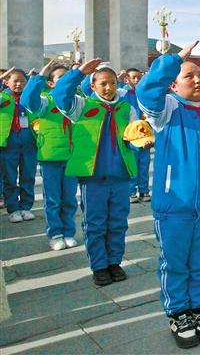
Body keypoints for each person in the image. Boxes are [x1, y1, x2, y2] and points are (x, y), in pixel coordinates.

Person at [137, 41, 200, 349]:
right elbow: (146, 91)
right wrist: (173, 60)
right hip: (174, 204)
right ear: (173, 84)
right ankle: (178, 313)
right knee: (175, 261)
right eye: (188, 75)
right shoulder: (166, 110)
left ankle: (199, 309)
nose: (197, 80)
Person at [54, 60, 138, 287]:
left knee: (118, 222)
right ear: (92, 86)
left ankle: (114, 262)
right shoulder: (81, 106)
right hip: (93, 178)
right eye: (103, 83)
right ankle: (99, 266)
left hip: (120, 176)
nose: (108, 88)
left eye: (112, 83)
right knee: (95, 223)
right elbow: (60, 94)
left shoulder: (127, 108)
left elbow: (136, 134)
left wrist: (142, 139)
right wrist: (79, 72)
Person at [20, 61, 78, 249]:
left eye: (68, 77)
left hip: (72, 157)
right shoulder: (46, 101)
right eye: (61, 77)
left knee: (69, 199)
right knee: (53, 200)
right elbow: (27, 100)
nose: (66, 80)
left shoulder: (78, 100)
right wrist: (40, 77)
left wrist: (79, 73)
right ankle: (55, 233)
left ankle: (69, 231)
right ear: (51, 83)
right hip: (50, 158)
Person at [1, 68, 37, 223]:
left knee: (28, 175)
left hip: (29, 141)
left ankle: (26, 207)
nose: (19, 84)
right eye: (15, 81)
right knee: (9, 177)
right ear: (6, 82)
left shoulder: (30, 97)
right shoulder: (3, 97)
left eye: (22, 81)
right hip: (9, 142)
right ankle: (13, 208)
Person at [121, 68, 152, 203]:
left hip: (145, 134)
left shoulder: (145, 94)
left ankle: (144, 190)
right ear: (126, 79)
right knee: (132, 163)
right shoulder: (123, 93)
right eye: (133, 77)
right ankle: (131, 191)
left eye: (139, 77)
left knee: (144, 164)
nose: (137, 80)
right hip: (130, 135)